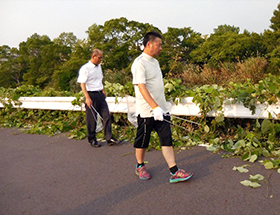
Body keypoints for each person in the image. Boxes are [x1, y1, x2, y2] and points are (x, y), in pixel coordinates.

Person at [131, 31, 194, 183]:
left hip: (162, 109)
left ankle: (174, 171)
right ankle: (140, 166)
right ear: (149, 44)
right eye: (159, 45)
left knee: (167, 139)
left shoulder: (155, 62)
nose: (160, 48)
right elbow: (142, 87)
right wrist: (154, 107)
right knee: (143, 140)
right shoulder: (139, 63)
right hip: (147, 111)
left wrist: (162, 106)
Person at [77, 49, 119, 147]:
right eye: (99, 58)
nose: (101, 60)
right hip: (91, 95)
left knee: (106, 116)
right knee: (92, 119)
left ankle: (109, 137)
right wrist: (87, 97)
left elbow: (99, 79)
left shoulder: (99, 67)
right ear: (93, 57)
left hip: (100, 94)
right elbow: (82, 84)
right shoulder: (85, 68)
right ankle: (92, 139)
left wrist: (103, 90)